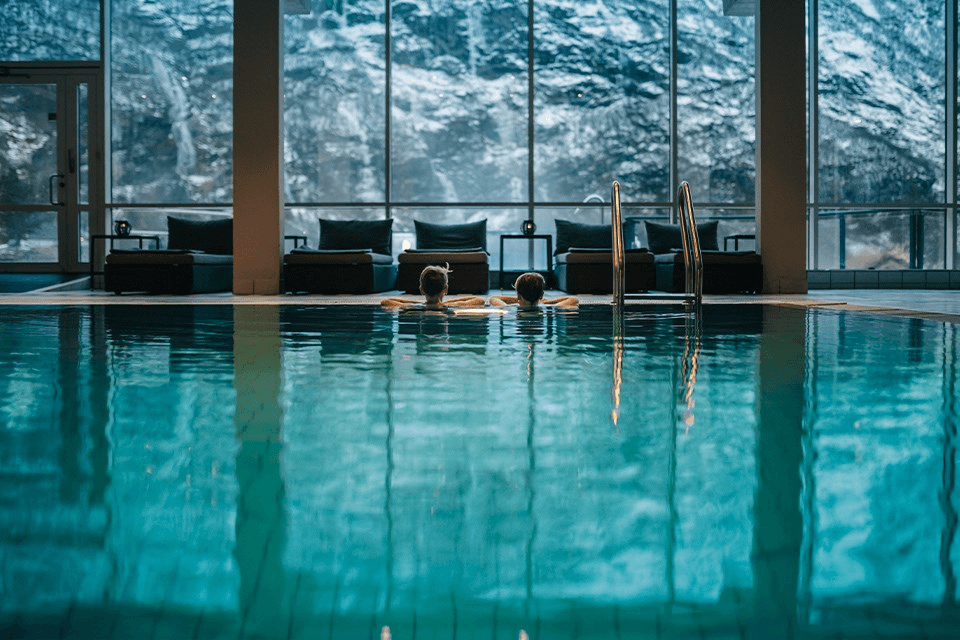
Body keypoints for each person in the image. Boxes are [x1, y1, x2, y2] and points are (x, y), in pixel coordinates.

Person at [380, 264, 486, 310]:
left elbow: (386, 301)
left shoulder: (414, 308)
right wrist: (447, 303)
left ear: (421, 290)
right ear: (446, 289)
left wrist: (419, 304)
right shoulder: (451, 306)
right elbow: (479, 300)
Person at [489, 272, 578, 309]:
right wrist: (544, 301)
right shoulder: (550, 308)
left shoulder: (507, 308)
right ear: (541, 295)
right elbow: (573, 299)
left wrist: (519, 299)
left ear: (519, 295)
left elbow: (494, 298)